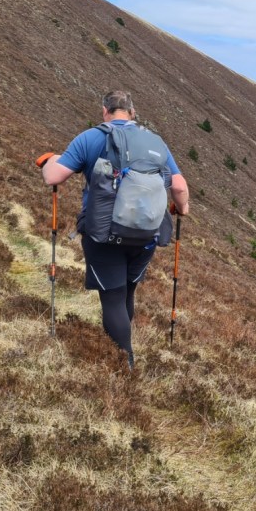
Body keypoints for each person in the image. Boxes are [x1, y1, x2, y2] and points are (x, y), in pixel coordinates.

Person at [37, 90, 189, 369]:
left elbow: (54, 177)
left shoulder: (91, 137)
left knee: (113, 297)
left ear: (105, 111)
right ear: (132, 112)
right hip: (146, 234)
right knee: (127, 293)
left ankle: (124, 363)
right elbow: (178, 186)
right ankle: (122, 351)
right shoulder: (154, 142)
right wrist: (182, 208)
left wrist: (49, 162)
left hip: (103, 234)